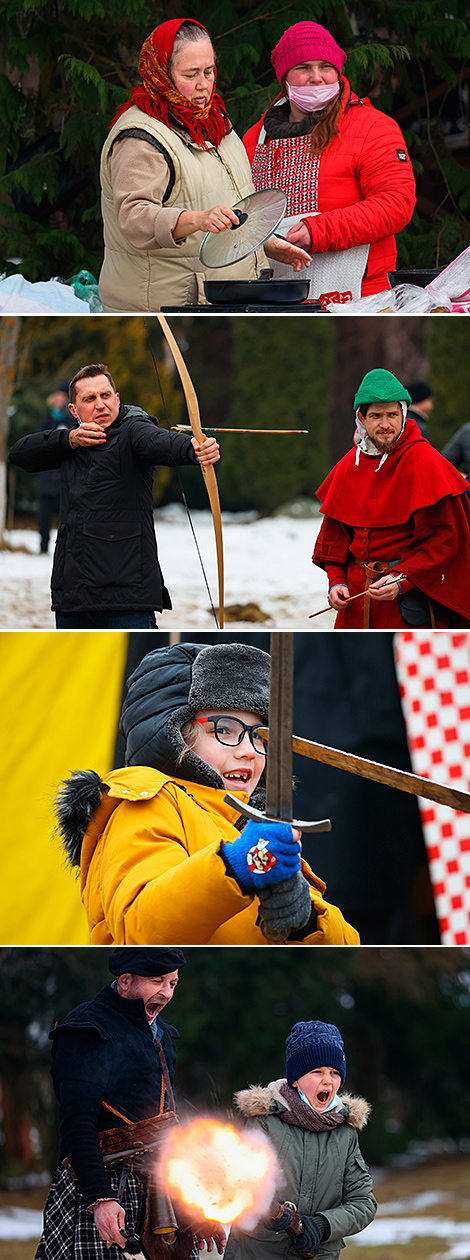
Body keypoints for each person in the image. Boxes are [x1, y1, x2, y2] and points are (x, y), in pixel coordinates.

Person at [55, 641, 360, 946]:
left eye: (259, 736)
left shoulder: (252, 829)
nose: (248, 752)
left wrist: (305, 920)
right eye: (224, 730)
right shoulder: (147, 803)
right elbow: (143, 928)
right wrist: (237, 866)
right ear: (174, 736)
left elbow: (349, 949)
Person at [99, 19, 311, 311]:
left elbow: (231, 212)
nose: (203, 85)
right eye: (190, 74)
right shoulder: (141, 138)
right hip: (165, 307)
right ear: (162, 73)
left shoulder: (214, 122)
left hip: (220, 299)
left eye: (209, 72)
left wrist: (265, 244)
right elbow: (135, 220)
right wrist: (196, 219)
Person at [36, 947, 225, 1260]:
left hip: (161, 1191)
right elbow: (77, 1123)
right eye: (157, 982)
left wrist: (197, 1210)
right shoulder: (86, 1031)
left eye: (173, 984)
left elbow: (169, 1128)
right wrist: (100, 1198)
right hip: (102, 1188)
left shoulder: (163, 1037)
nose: (165, 993)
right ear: (124, 980)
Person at [8, 363, 219, 630]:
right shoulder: (72, 441)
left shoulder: (134, 430)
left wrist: (193, 449)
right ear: (74, 410)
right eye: (89, 399)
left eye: (106, 396)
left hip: (126, 599)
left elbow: (158, 441)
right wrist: (70, 440)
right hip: (73, 597)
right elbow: (19, 454)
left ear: (117, 399)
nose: (100, 404)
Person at [243, 22, 416, 300]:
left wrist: (319, 231)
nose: (317, 77)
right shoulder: (255, 137)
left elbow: (396, 204)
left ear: (337, 71)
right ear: (284, 77)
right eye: (303, 68)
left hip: (362, 294)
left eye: (325, 66)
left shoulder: (373, 127)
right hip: (277, 294)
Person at [312, 368, 470, 628]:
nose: (385, 424)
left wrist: (403, 578)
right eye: (376, 416)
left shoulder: (426, 461)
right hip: (354, 605)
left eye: (392, 415)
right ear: (361, 418)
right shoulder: (348, 465)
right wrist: (336, 581)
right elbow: (334, 539)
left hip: (410, 605)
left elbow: (446, 540)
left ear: (403, 414)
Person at [225, 1020, 377, 1260]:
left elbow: (363, 1203)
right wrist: (269, 1209)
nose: (328, 1081)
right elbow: (236, 1182)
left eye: (335, 1073)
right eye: (317, 1071)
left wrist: (322, 1225)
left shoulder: (345, 1133)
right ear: (295, 1079)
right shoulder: (265, 1122)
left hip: (318, 1254)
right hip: (258, 1252)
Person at [35, 383, 72, 554]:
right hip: (46, 477)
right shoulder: (47, 417)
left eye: (61, 397)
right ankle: (43, 547)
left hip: (63, 476)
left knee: (65, 516)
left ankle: (65, 547)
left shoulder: (71, 419)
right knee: (43, 516)